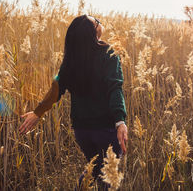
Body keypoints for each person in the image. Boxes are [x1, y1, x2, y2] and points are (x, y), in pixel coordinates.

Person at [19, 15, 128, 190]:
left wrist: (38, 112)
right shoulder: (109, 53)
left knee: (96, 168)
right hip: (106, 129)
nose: (100, 23)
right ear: (93, 32)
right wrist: (120, 121)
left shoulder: (71, 59)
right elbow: (115, 88)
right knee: (108, 176)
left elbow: (57, 89)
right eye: (97, 22)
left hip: (82, 131)